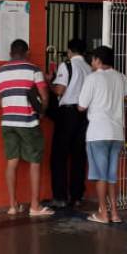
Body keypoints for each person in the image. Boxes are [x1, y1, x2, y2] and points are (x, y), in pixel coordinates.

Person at [0, 39, 53, 217]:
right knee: (34, 162)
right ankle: (34, 206)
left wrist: (10, 107)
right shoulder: (33, 70)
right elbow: (44, 95)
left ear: (11, 53)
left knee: (12, 162)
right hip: (28, 122)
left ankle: (13, 205)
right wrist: (41, 112)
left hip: (8, 122)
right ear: (27, 52)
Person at [78, 46, 127, 223]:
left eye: (93, 60)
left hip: (97, 133)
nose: (91, 63)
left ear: (98, 60)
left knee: (101, 176)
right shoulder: (120, 77)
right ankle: (116, 213)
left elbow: (81, 106)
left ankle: (103, 213)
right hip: (117, 133)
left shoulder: (93, 78)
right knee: (111, 176)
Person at [49, 37, 89, 208]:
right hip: (84, 115)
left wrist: (49, 81)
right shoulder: (89, 68)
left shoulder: (67, 65)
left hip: (67, 115)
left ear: (69, 51)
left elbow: (59, 89)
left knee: (59, 156)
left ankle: (60, 197)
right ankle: (77, 196)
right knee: (79, 156)